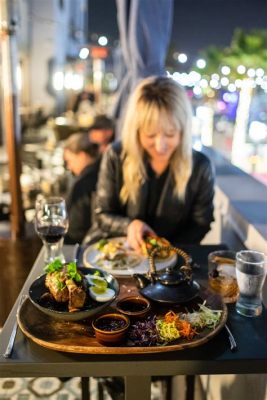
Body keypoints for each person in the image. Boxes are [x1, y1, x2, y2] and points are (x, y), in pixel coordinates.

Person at [84, 76, 214, 250]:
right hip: (118, 252)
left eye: (170, 134)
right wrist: (128, 225)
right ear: (136, 131)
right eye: (150, 135)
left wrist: (165, 251)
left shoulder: (200, 166)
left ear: (183, 131)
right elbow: (102, 215)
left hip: (172, 260)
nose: (160, 146)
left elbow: (201, 222)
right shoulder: (116, 155)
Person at [63, 133, 101, 244]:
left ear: (82, 155)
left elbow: (76, 228)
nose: (69, 167)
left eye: (70, 161)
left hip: (83, 247)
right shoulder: (104, 168)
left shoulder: (83, 184)